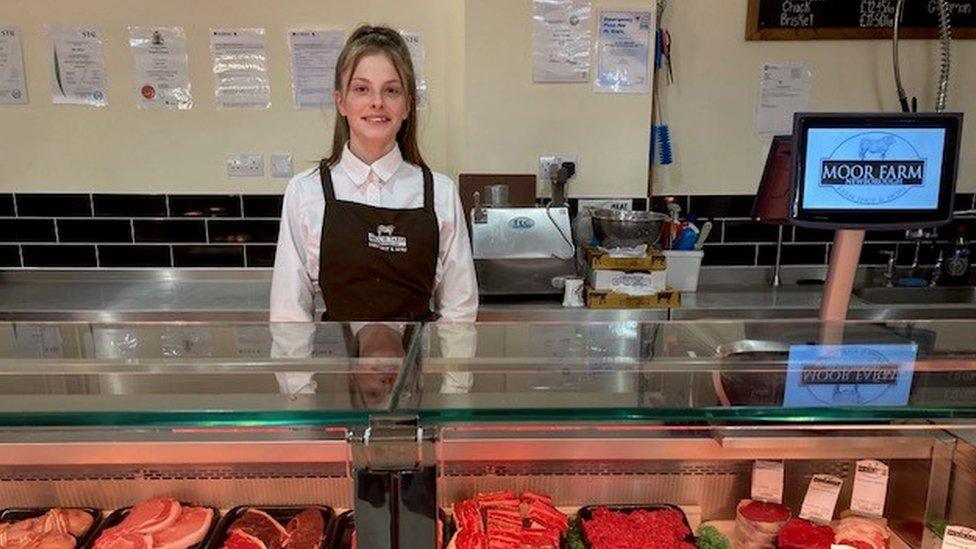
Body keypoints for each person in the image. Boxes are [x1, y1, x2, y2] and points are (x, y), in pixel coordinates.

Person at [269, 24, 478, 393]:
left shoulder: (441, 194)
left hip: (419, 389)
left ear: (408, 104)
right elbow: (290, 316)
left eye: (391, 90)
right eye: (362, 89)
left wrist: (453, 396)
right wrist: (299, 398)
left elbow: (459, 316)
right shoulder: (305, 192)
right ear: (341, 102)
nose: (376, 103)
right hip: (336, 388)